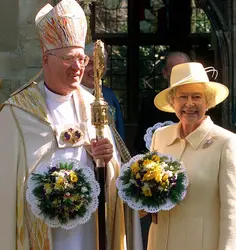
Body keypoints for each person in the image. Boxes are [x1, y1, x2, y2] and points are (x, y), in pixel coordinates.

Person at [0, 0, 142, 249]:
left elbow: (111, 172)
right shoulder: (17, 112)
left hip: (88, 229)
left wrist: (106, 161)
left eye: (82, 59)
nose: (78, 67)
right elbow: (6, 185)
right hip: (43, 229)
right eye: (68, 59)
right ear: (46, 60)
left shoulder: (94, 105)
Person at [147, 62, 236, 250]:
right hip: (161, 241)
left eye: (197, 97)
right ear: (173, 102)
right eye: (182, 97)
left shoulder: (225, 142)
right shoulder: (160, 137)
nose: (190, 104)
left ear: (208, 102)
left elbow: (232, 210)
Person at [134, 51, 190, 154]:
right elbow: (140, 144)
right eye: (175, 70)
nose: (180, 75)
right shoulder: (150, 104)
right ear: (165, 73)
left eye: (183, 70)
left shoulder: (199, 103)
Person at [81, 42, 125, 140]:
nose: (95, 69)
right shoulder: (70, 94)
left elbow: (119, 136)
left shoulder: (109, 96)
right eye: (90, 63)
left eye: (100, 64)